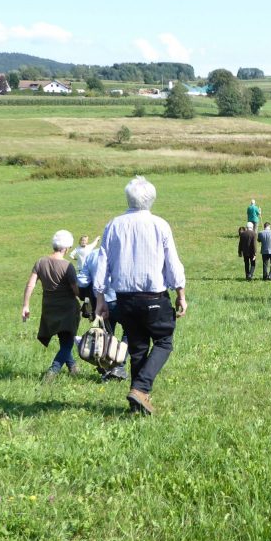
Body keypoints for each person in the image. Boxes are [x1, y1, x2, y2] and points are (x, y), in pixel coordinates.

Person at [94, 176, 187, 416]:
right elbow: (172, 263)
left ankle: (137, 402)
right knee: (164, 342)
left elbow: (102, 264)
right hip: (153, 296)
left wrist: (101, 299)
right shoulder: (160, 224)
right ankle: (140, 388)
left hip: (124, 297)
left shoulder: (113, 225)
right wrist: (180, 293)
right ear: (152, 198)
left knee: (137, 348)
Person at [21, 230, 81, 381]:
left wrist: (26, 305)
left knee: (64, 338)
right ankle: (53, 371)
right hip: (67, 309)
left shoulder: (40, 262)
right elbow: (76, 291)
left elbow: (30, 285)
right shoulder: (68, 266)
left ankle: (73, 367)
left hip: (49, 308)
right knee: (68, 341)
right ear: (66, 248)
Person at [84, 247, 127, 381]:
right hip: (121, 298)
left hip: (100, 300)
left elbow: (82, 280)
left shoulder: (91, 255)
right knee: (131, 331)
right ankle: (119, 365)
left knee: (106, 335)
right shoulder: (122, 252)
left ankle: (107, 367)